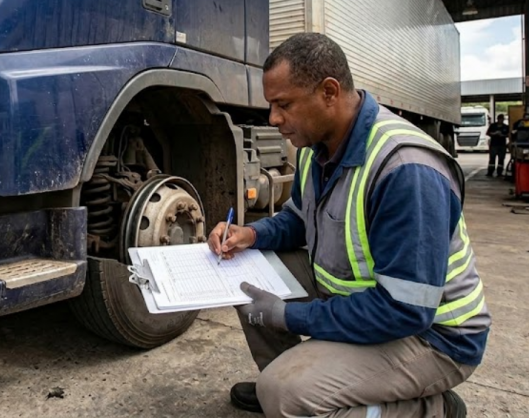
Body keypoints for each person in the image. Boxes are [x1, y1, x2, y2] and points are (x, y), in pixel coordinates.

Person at [208, 33, 489, 418]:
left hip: (433, 337)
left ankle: (428, 409)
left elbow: (406, 310)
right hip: (365, 302)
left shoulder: (406, 170)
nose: (273, 118)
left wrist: (287, 315)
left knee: (283, 394)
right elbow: (299, 219)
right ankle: (304, 382)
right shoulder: (314, 150)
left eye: (284, 104)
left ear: (329, 92)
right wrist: (251, 234)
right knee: (244, 272)